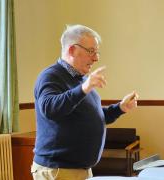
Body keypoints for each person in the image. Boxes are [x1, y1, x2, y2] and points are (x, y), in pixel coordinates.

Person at [31, 24, 138, 180]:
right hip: (58, 171)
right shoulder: (50, 76)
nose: (96, 58)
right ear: (72, 50)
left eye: (96, 52)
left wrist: (120, 108)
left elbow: (94, 116)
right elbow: (50, 109)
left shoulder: (81, 81)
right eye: (91, 51)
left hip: (79, 170)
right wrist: (84, 88)